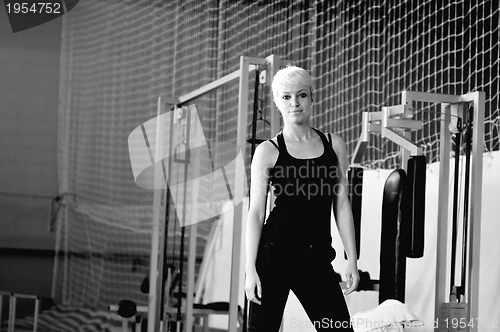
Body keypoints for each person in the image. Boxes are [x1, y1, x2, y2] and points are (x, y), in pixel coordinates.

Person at [244, 65, 359, 331]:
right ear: (276, 102)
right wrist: (251, 269)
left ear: (312, 97)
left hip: (315, 258)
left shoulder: (334, 144)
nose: (294, 103)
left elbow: (341, 205)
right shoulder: (267, 151)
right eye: (286, 97)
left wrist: (352, 258)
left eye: (302, 95)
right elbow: (256, 213)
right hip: (273, 258)